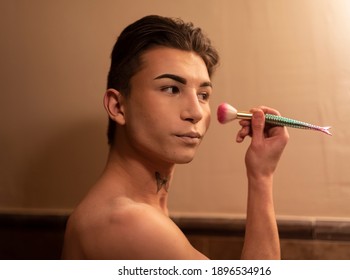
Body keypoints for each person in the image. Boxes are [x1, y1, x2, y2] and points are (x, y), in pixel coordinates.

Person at [61, 15, 289, 260]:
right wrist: (261, 177)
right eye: (171, 89)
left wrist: (259, 171)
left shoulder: (137, 211)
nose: (196, 112)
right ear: (118, 106)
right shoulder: (126, 222)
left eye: (203, 94)